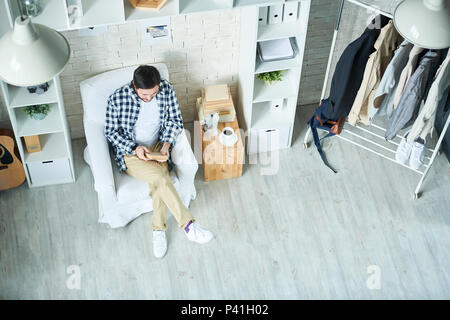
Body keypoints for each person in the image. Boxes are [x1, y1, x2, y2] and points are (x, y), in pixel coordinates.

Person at [104, 65, 213, 258]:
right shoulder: (116, 99)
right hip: (131, 153)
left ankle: (158, 230)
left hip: (158, 147)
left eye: (153, 93)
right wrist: (135, 149)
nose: (150, 98)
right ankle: (189, 226)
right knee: (161, 179)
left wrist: (166, 145)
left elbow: (175, 121)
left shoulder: (165, 89)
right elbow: (111, 133)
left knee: (159, 182)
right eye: (145, 95)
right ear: (134, 87)